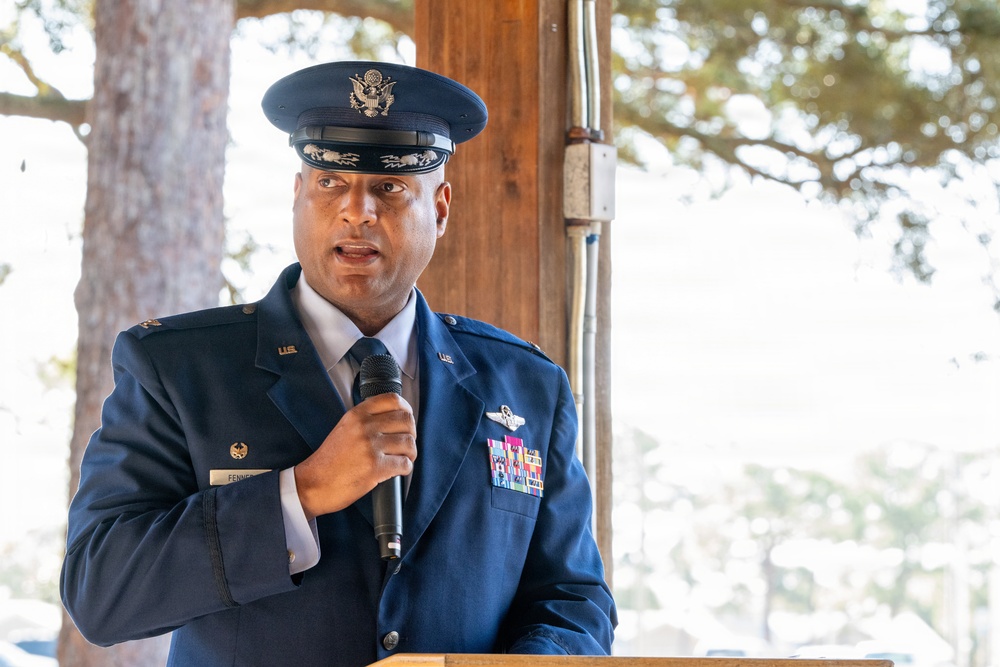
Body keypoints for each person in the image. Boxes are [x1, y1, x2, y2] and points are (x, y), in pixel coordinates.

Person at [61, 61, 616, 666]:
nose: (358, 211)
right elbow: (101, 592)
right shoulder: (178, 368)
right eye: (331, 182)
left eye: (390, 187)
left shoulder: (527, 385)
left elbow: (572, 598)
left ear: (442, 208)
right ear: (298, 194)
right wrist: (299, 494)